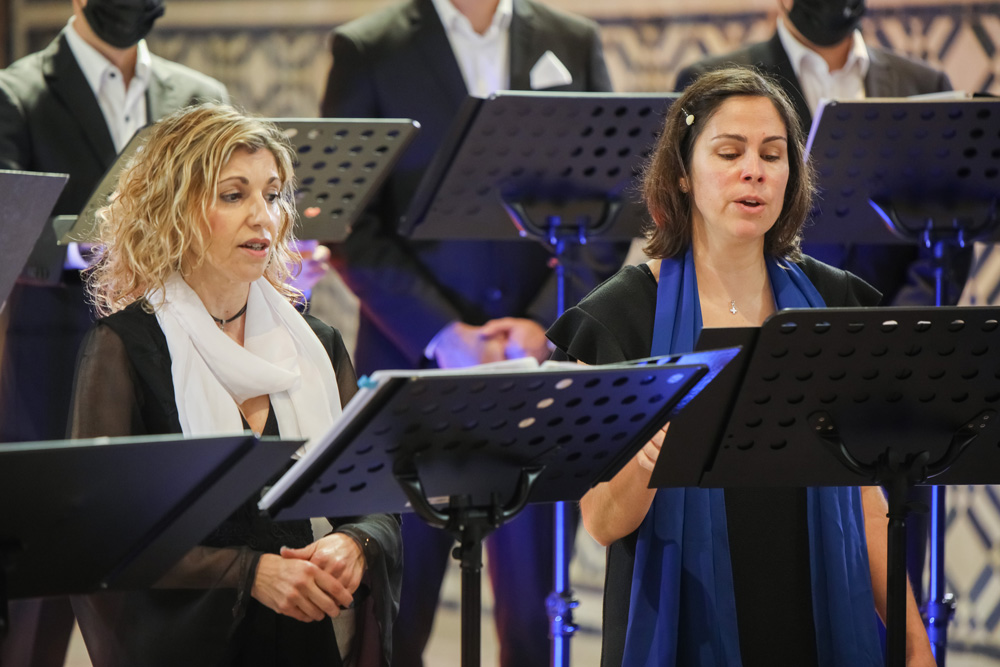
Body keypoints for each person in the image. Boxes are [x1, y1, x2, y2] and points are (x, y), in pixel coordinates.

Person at [546, 67, 935, 667]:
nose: (753, 169)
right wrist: (650, 451)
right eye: (729, 152)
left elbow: (866, 499)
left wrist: (914, 647)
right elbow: (600, 521)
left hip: (814, 616)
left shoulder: (837, 303)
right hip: (681, 630)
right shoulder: (618, 316)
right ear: (681, 173)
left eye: (772, 155)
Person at [319, 1, 623, 664]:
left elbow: (615, 200)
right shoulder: (367, 46)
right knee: (398, 609)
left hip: (539, 373)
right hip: (413, 369)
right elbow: (346, 220)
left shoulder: (573, 39)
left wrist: (545, 323)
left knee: (535, 612)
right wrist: (440, 331)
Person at [66, 103, 401, 667]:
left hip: (305, 640)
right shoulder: (125, 349)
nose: (263, 217)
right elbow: (103, 538)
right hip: (191, 647)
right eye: (232, 194)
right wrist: (252, 573)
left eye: (272, 195)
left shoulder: (317, 345)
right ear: (174, 211)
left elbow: (377, 504)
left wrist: (356, 544)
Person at [0, 2, 228, 664]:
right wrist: (117, 245)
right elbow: (10, 229)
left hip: (173, 368)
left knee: (164, 607)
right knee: (32, 623)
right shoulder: (15, 94)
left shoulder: (200, 97)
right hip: (53, 381)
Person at [674, 0, 958, 308]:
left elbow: (951, 219)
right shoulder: (712, 78)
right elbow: (691, 221)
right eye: (730, 153)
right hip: (765, 316)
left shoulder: (925, 85)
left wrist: (901, 326)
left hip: (898, 327)